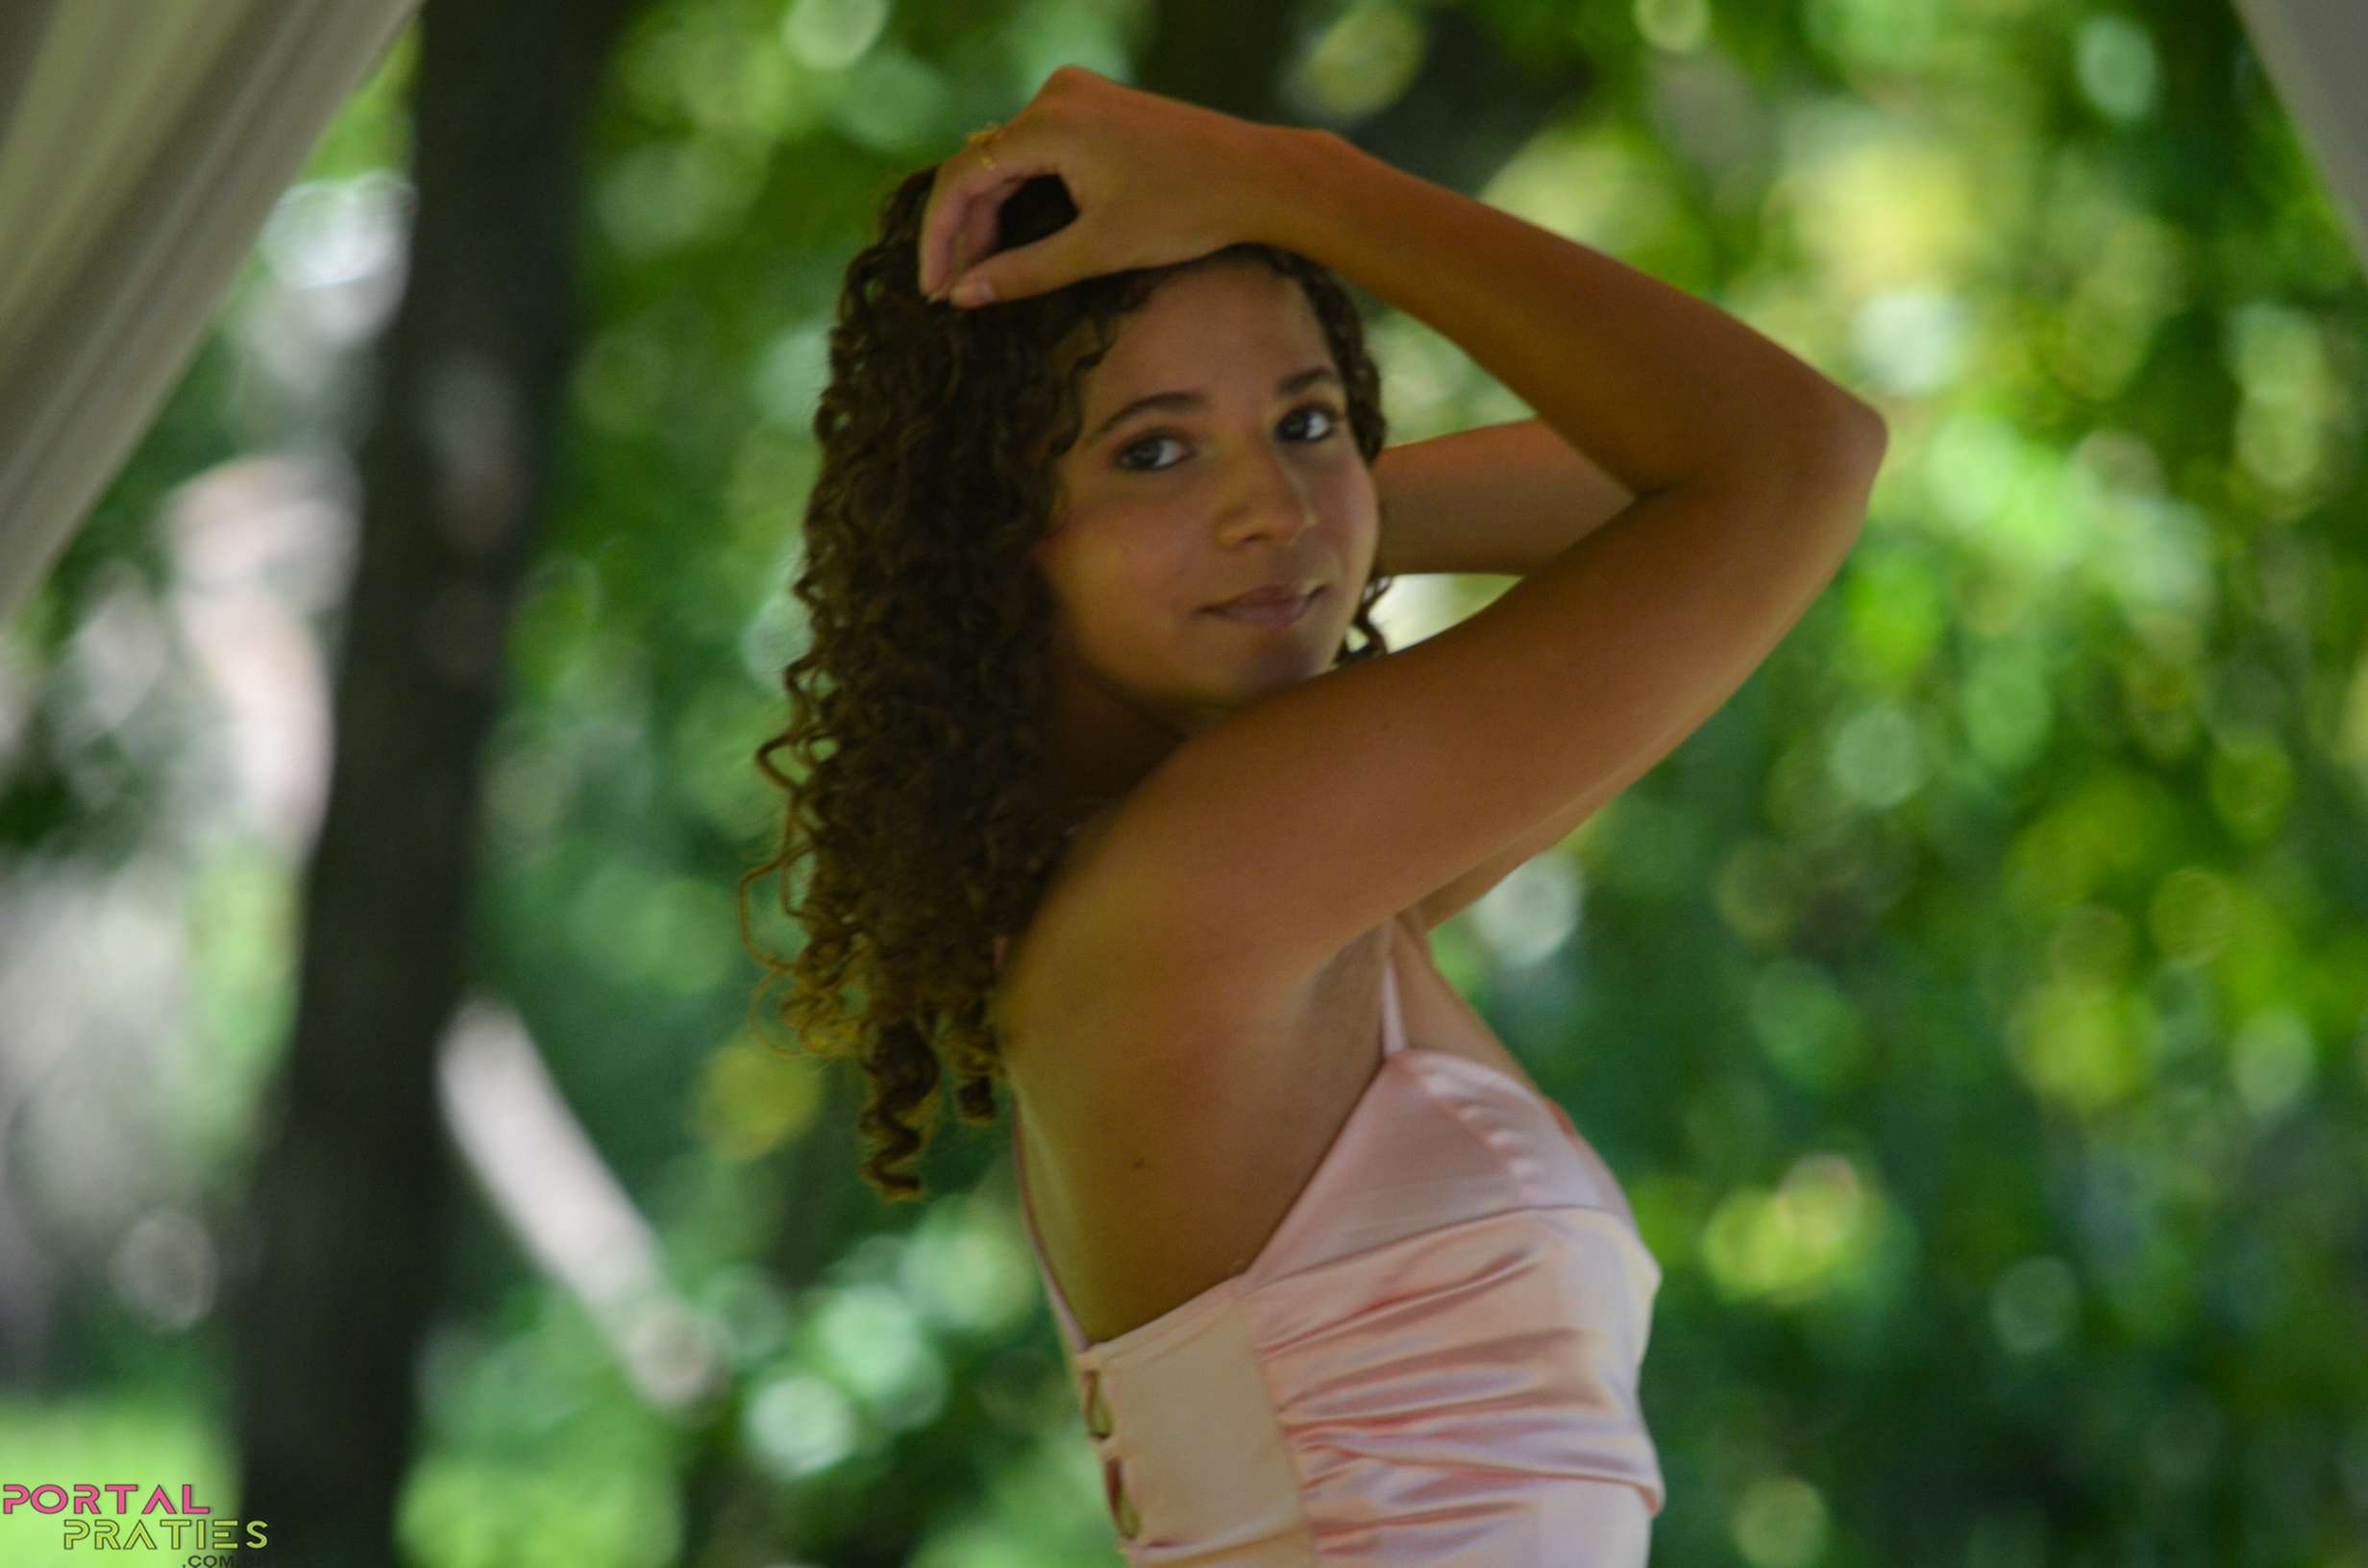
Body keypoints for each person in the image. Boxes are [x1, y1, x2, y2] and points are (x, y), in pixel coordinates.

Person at [742, 62, 1885, 1565]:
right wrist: (1294, 181)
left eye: (1307, 418)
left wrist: (1307, 515)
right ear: (990, 535)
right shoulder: (1221, 872)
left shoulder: (1241, 891)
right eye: (1152, 449)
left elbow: (1679, 494)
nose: (1268, 506)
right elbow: (1794, 456)